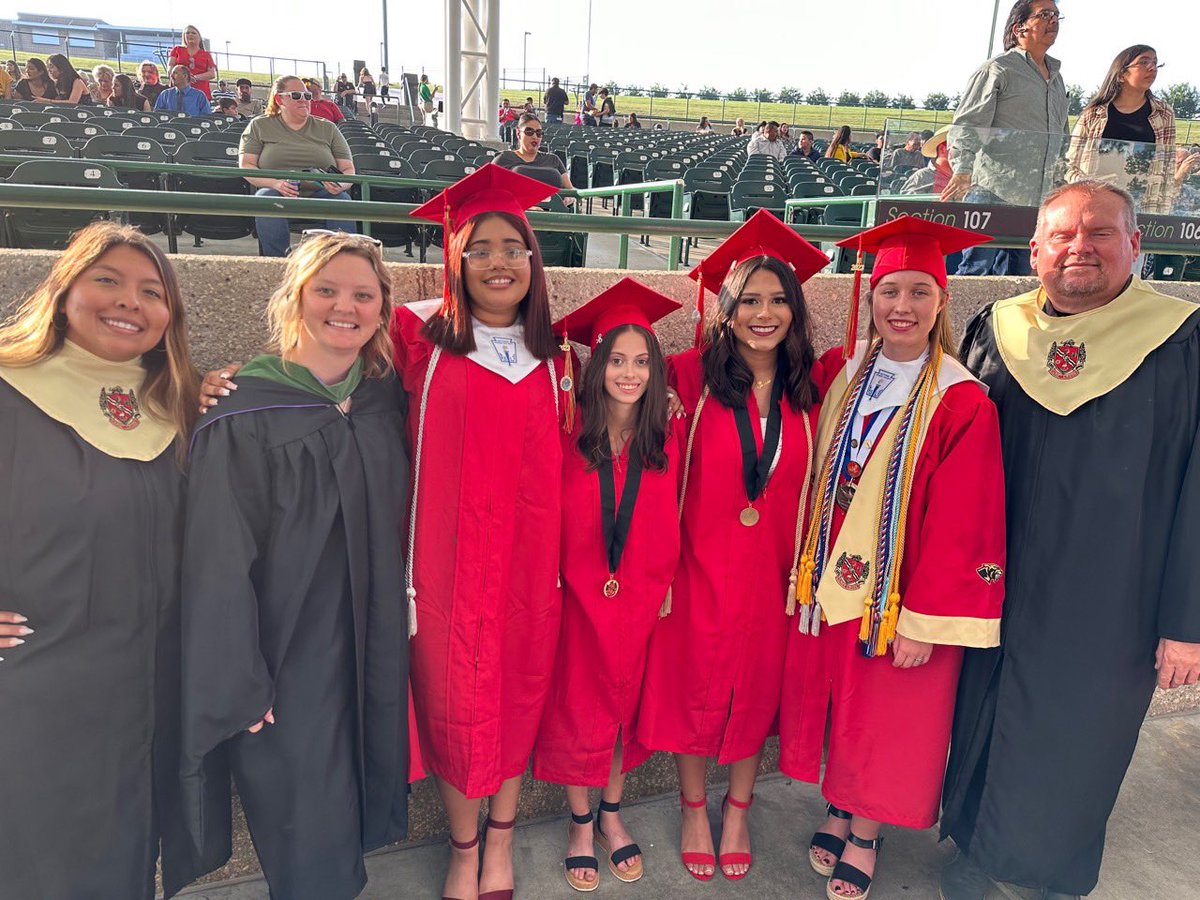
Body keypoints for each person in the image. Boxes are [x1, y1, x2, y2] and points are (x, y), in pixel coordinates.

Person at [939, 180, 1200, 900]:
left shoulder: (1182, 341)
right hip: (995, 582)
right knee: (981, 715)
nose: (1079, 248)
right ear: (1035, 250)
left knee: (1079, 741)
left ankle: (1052, 874)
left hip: (1115, 597)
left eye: (1100, 234)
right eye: (1062, 235)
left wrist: (1187, 626)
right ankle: (971, 851)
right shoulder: (998, 327)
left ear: (1136, 244)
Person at [180, 231, 410, 900]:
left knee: (350, 785)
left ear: (382, 309)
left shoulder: (381, 398)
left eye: (363, 295)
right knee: (303, 799)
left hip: (370, 635)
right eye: (327, 291)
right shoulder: (246, 407)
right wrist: (239, 678)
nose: (346, 307)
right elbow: (216, 556)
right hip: (286, 648)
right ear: (295, 299)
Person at [780, 217, 1005, 900]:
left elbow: (965, 524)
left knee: (892, 714)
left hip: (901, 598)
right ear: (869, 299)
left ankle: (868, 834)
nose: (900, 308)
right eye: (888, 292)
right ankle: (842, 804)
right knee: (850, 707)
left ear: (943, 301)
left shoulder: (962, 401)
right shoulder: (848, 372)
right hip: (839, 581)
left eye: (918, 292)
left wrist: (923, 621)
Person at [0, 222, 209, 899]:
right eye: (108, 281)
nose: (131, 302)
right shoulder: (10, 389)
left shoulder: (175, 404)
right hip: (41, 688)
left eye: (153, 292)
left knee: (129, 858)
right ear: (64, 292)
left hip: (148, 688)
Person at [636, 210, 828, 882]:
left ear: (795, 310)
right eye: (749, 300)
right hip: (698, 568)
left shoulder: (815, 387)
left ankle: (739, 809)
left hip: (774, 574)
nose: (764, 313)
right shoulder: (689, 376)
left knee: (754, 692)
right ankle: (694, 807)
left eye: (778, 300)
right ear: (727, 309)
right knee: (693, 685)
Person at [399, 165, 567, 900]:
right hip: (444, 566)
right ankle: (463, 849)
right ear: (455, 259)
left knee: (518, 692)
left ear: (533, 262)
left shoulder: (558, 357)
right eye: (482, 247)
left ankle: (499, 842)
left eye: (514, 247)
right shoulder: (415, 336)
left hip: (531, 568)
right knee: (452, 704)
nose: (500, 261)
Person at [535, 279, 684, 892]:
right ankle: (578, 822)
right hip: (577, 597)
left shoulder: (667, 434)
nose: (629, 373)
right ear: (593, 366)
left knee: (625, 708)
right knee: (579, 706)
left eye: (642, 361)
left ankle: (611, 814)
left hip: (643, 598)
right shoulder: (564, 429)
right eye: (616, 360)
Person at [943, 0, 1068, 276]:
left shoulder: (1057, 79)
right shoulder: (998, 69)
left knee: (1019, 279)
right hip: (992, 192)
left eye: (1057, 15)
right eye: (1045, 15)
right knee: (974, 271)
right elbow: (968, 124)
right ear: (1019, 28)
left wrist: (1061, 180)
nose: (1054, 21)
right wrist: (963, 170)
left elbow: (1062, 137)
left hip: (1036, 199)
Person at [238, 75, 358, 258]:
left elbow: (348, 169)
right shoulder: (259, 125)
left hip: (322, 192)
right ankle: (277, 265)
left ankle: (342, 262)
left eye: (307, 96)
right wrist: (275, 183)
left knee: (342, 201)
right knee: (265, 198)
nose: (304, 100)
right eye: (296, 95)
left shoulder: (328, 128)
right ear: (280, 99)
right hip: (277, 191)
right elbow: (246, 165)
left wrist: (340, 185)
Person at [1065, 45, 1184, 214]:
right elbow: (1071, 165)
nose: (1152, 67)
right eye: (1143, 62)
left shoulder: (1164, 114)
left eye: (1155, 63)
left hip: (1141, 209)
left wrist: (1160, 213)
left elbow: (1167, 169)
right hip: (1094, 206)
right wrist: (1090, 190)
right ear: (1121, 74)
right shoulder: (1092, 114)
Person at [492, 112, 575, 192]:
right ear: (518, 133)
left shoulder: (553, 159)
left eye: (539, 133)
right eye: (529, 132)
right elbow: (487, 190)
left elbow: (570, 190)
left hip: (554, 205)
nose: (535, 137)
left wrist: (569, 198)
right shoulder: (504, 158)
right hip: (519, 205)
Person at [168, 24, 218, 99]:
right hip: (179, 91)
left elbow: (212, 74)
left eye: (193, 33)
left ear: (199, 37)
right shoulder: (177, 50)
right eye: (187, 33)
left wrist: (194, 77)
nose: (190, 35)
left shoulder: (206, 54)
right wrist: (179, 77)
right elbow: (170, 67)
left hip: (200, 92)